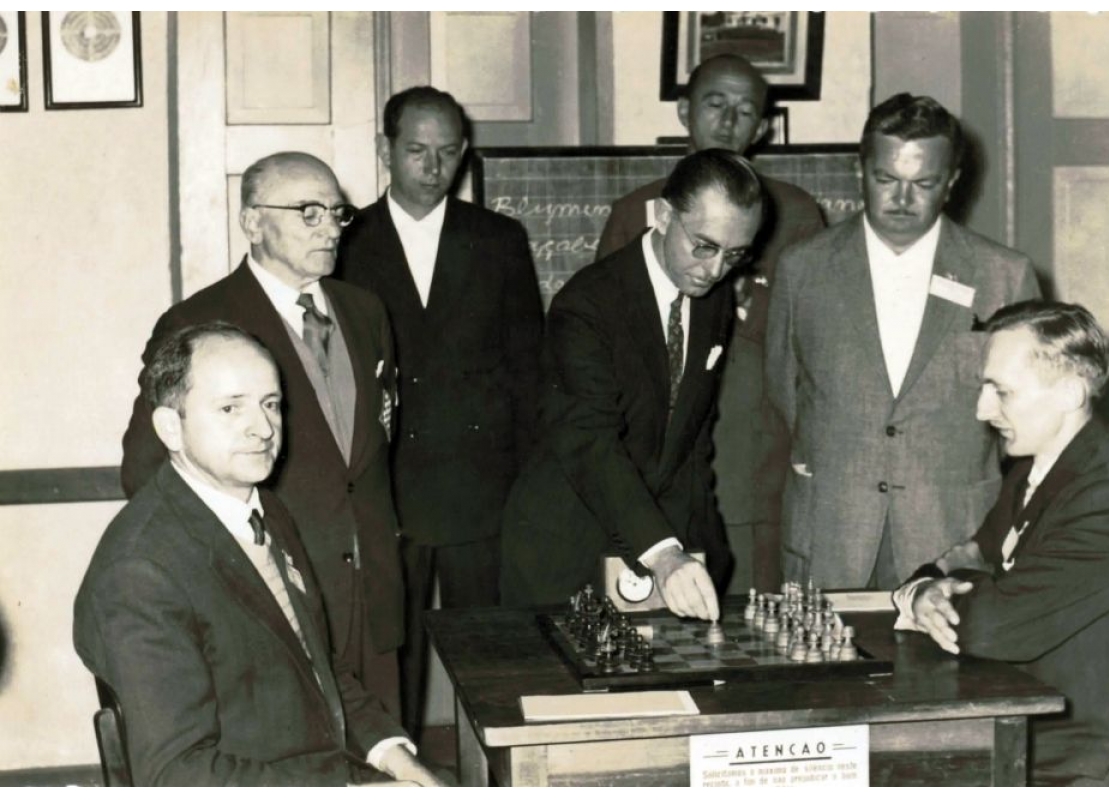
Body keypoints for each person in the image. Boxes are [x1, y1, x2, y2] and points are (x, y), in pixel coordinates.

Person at [77, 323, 439, 786]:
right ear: (171, 427)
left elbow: (317, 666)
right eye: (231, 408)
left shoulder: (263, 506)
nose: (263, 428)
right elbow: (176, 775)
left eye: (271, 404)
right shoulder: (141, 570)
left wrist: (395, 755)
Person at [119, 152, 405, 717]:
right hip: (272, 599)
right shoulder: (199, 323)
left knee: (388, 755)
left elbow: (366, 451)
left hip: (372, 594)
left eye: (337, 214)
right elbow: (145, 469)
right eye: (308, 212)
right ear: (252, 221)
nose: (330, 228)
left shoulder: (365, 311)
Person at [892, 301, 1109, 785]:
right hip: (1017, 725)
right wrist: (922, 592)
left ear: (1069, 393)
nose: (982, 410)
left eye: (1001, 392)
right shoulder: (1036, 465)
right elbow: (969, 554)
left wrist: (947, 590)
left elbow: (988, 627)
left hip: (1074, 764)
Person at [766, 93, 1041, 590]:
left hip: (951, 535)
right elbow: (786, 388)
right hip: (831, 532)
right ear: (860, 170)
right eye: (886, 179)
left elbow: (1024, 422)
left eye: (924, 184)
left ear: (952, 181)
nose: (901, 200)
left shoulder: (1005, 276)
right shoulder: (801, 268)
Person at [336, 86, 543, 738]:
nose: (433, 166)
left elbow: (529, 373)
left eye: (448, 152)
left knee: (488, 657)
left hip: (479, 492)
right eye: (417, 150)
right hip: (382, 490)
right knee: (386, 659)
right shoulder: (345, 241)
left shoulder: (499, 239)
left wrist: (526, 486)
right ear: (385, 150)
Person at [501, 149, 763, 620]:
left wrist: (703, 549)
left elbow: (690, 435)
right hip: (568, 550)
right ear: (663, 216)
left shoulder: (712, 297)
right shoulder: (587, 305)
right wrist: (664, 553)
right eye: (703, 245)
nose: (715, 270)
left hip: (665, 548)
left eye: (735, 254)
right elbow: (589, 440)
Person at [598, 55, 824, 591]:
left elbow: (813, 354)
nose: (727, 121)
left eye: (745, 111)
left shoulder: (795, 215)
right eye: (714, 104)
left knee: (752, 634)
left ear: (763, 127)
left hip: (753, 469)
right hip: (652, 472)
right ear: (684, 110)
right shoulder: (638, 213)